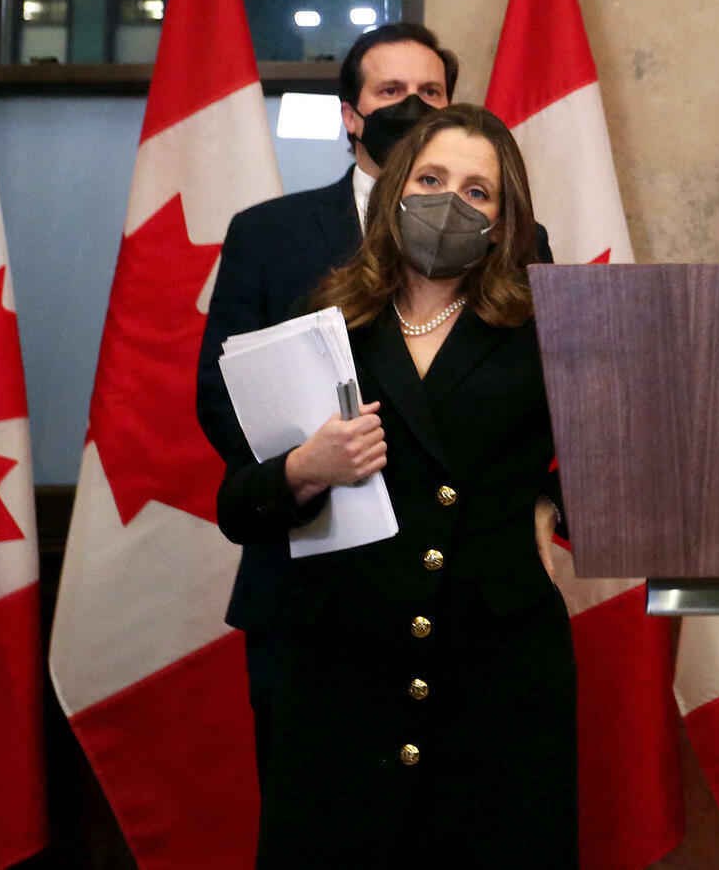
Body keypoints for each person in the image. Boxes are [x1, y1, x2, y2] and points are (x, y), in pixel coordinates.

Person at [214, 103, 575, 868]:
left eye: (478, 192)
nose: (451, 201)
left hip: (495, 670)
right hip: (343, 671)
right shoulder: (323, 320)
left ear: (507, 218)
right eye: (433, 178)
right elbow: (237, 502)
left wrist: (552, 503)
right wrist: (305, 469)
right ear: (394, 191)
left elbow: (627, 451)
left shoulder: (552, 323)